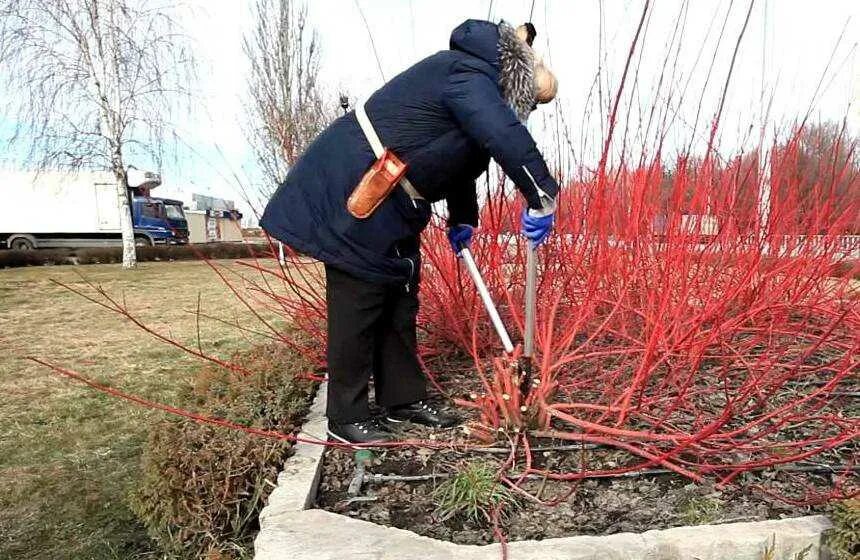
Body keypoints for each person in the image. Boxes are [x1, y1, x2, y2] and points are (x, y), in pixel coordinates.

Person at [261, 19, 559, 444]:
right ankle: (346, 417)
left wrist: (463, 220)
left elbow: (462, 161)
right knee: (359, 299)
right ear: (519, 82)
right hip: (357, 186)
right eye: (532, 101)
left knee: (400, 298)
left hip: (396, 200)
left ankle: (403, 399)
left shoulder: (473, 86)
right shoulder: (467, 72)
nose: (529, 111)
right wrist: (541, 191)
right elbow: (500, 134)